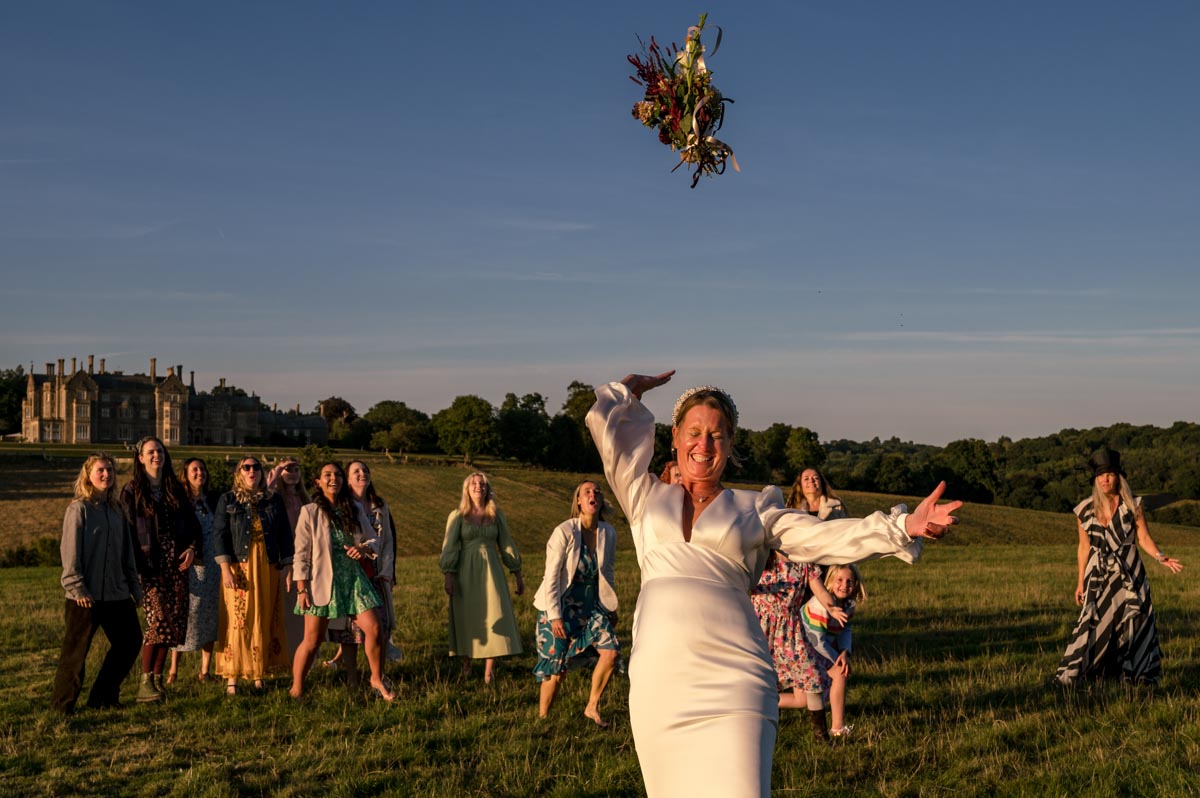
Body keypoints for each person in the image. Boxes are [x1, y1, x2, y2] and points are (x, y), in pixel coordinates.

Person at [586, 371, 959, 797]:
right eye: (694, 433)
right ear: (674, 436)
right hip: (659, 682)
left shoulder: (755, 508)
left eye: (716, 435)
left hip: (734, 679)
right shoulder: (644, 497)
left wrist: (904, 526)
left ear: (730, 444)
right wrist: (626, 391)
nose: (703, 445)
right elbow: (612, 440)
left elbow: (828, 538)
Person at [1055, 448, 1183, 685]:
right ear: (1095, 480)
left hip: (1130, 571)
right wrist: (1080, 581)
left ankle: (1136, 675)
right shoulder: (1084, 510)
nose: (1105, 479)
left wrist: (1160, 556)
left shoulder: (1132, 506)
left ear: (1118, 477)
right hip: (1099, 574)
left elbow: (1143, 538)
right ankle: (1081, 674)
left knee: (1135, 620)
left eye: (1110, 474)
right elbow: (1083, 548)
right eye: (1101, 475)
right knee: (1092, 622)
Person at [290, 461, 394, 701]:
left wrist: (363, 549)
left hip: (353, 578)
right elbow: (301, 553)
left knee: (375, 628)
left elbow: (373, 540)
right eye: (327, 475)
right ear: (317, 482)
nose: (333, 479)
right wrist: (301, 589)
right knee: (313, 640)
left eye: (337, 474)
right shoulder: (310, 511)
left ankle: (376, 678)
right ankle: (297, 688)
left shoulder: (354, 508)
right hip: (321, 581)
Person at [51, 454, 144, 714]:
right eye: (101, 470)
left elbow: (128, 555)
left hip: (116, 594)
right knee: (75, 654)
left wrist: (135, 590)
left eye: (110, 471)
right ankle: (62, 708)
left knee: (130, 643)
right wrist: (77, 587)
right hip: (85, 597)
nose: (106, 475)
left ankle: (102, 697)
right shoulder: (78, 509)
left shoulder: (117, 510)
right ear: (88, 476)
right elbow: (69, 553)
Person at [532, 480, 620, 726]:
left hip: (591, 606)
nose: (593, 495)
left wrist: (611, 607)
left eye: (597, 492)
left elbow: (608, 572)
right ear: (578, 501)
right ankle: (543, 720)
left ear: (600, 501)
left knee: (611, 652)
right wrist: (555, 616)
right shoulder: (564, 531)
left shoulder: (608, 533)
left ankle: (592, 707)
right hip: (559, 605)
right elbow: (551, 577)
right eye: (587, 492)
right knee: (556, 670)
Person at [121, 436, 201, 703]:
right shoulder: (131, 491)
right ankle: (145, 681)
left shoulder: (175, 489)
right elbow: (129, 532)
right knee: (158, 623)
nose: (157, 455)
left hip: (177, 566)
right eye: (150, 452)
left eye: (160, 451)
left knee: (174, 625)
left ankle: (156, 681)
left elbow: (193, 527)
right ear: (140, 458)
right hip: (150, 567)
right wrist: (135, 569)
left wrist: (191, 548)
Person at [213, 456, 293, 695]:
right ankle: (232, 677)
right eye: (245, 467)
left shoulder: (273, 499)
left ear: (261, 472)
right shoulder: (227, 500)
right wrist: (225, 568)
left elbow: (284, 534)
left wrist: (288, 566)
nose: (251, 471)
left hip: (268, 567)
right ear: (239, 473)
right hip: (239, 567)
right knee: (238, 621)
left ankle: (259, 674)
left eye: (255, 467)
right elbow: (219, 536)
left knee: (263, 617)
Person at [440, 471, 525, 683]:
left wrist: (517, 573)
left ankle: (489, 672)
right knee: (467, 615)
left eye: (482, 484)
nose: (478, 487)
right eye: (474, 484)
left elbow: (506, 543)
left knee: (496, 611)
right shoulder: (457, 516)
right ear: (467, 489)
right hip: (465, 571)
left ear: (487, 489)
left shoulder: (496, 514)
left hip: (491, 570)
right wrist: (448, 575)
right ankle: (466, 664)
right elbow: (449, 547)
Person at [324, 461, 400, 679]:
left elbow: (387, 541)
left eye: (365, 470)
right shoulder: (341, 504)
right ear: (347, 479)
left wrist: (387, 571)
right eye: (356, 471)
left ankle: (378, 675)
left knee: (381, 627)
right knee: (350, 631)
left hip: (376, 573)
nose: (362, 474)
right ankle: (352, 677)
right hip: (350, 574)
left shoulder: (379, 505)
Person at [167, 458, 219, 685]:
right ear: (185, 475)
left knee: (210, 615)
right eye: (194, 470)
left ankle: (205, 670)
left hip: (214, 565)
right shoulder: (180, 502)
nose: (200, 473)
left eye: (202, 469)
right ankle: (173, 670)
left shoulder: (215, 500)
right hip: (189, 564)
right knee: (185, 613)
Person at [801, 564, 865, 739]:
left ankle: (837, 728)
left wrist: (845, 652)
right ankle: (766, 704)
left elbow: (846, 629)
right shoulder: (819, 606)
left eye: (849, 581)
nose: (844, 585)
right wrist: (838, 659)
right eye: (840, 580)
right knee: (800, 700)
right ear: (829, 582)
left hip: (824, 650)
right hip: (806, 650)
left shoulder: (849, 604)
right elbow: (817, 641)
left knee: (839, 674)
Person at [267, 456, 308, 659]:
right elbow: (263, 491)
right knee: (285, 607)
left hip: (305, 558)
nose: (292, 473)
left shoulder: (305, 499)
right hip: (284, 558)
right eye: (287, 469)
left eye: (295, 469)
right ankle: (285, 652)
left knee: (302, 609)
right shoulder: (275, 498)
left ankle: (303, 652)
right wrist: (278, 469)